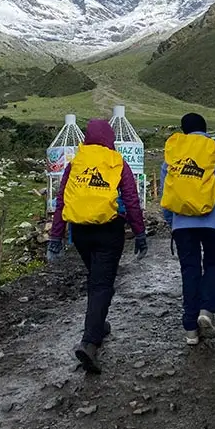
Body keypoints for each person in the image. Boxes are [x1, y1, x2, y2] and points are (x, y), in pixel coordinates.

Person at [47, 119, 147, 374]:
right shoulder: (116, 161)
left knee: (97, 278)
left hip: (80, 232)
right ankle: (89, 342)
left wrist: (56, 237)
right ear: (109, 137)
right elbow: (131, 199)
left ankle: (99, 325)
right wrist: (139, 233)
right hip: (108, 231)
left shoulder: (75, 163)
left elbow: (61, 201)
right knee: (102, 284)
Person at [161, 113, 215, 345]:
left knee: (189, 270)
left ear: (183, 130)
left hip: (181, 222)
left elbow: (166, 188)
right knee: (214, 264)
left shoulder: (174, 151)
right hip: (212, 220)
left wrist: (170, 219)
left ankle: (190, 329)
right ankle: (206, 310)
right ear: (205, 129)